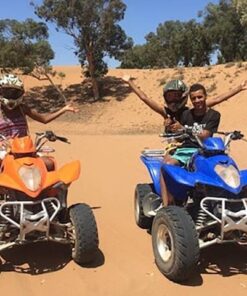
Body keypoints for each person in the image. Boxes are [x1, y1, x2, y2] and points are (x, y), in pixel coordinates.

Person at [0, 73, 79, 169]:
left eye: (14, 93)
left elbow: (44, 119)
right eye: (8, 92)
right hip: (4, 151)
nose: (11, 96)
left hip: (25, 150)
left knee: (49, 164)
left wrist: (64, 110)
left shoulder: (23, 108)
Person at [160, 83, 221, 206]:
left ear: (205, 96)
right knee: (166, 166)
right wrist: (169, 127)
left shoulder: (214, 115)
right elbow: (177, 136)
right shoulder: (186, 114)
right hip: (187, 150)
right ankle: (167, 206)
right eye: (193, 98)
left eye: (200, 97)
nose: (197, 101)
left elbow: (205, 135)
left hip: (206, 150)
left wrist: (184, 129)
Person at [122, 75, 246, 129]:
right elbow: (145, 98)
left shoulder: (193, 108)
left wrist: (239, 88)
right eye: (170, 96)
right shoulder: (165, 111)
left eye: (176, 95)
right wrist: (129, 82)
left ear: (183, 96)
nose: (173, 100)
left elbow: (218, 99)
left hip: (193, 144)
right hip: (174, 148)